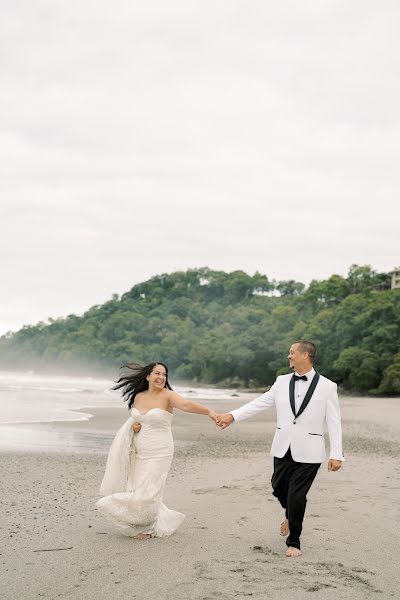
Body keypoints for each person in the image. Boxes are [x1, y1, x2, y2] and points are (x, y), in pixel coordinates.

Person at [215, 340, 344, 557]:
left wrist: (336, 454)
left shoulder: (327, 386)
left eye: (292, 353)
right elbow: (259, 403)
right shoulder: (281, 382)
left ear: (305, 355)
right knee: (277, 487)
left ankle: (294, 541)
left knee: (296, 495)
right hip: (283, 447)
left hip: (310, 451)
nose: (289, 356)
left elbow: (334, 421)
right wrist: (232, 416)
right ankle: (290, 513)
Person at [96, 361, 217, 539]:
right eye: (157, 373)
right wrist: (135, 427)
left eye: (164, 374)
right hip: (140, 450)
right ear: (148, 376)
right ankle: (140, 521)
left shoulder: (168, 396)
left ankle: (148, 527)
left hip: (160, 450)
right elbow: (137, 420)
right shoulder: (139, 396)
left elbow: (186, 405)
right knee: (138, 486)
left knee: (150, 489)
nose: (161, 377)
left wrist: (210, 412)